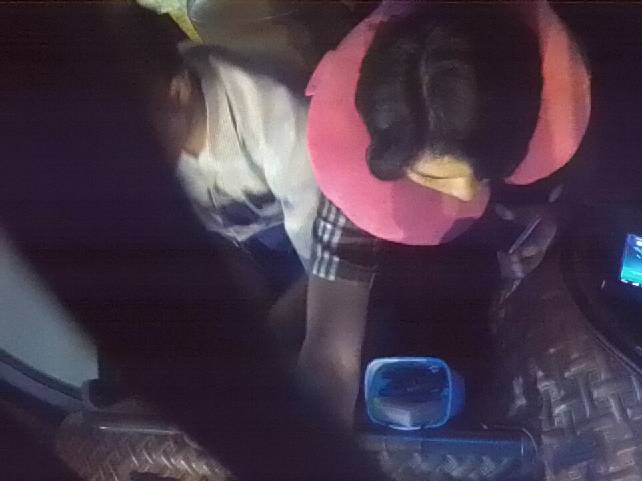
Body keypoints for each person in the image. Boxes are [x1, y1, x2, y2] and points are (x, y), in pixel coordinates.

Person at [298, 0, 590, 426]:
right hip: (410, 286)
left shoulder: (554, 108)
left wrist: (551, 218)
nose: (465, 195)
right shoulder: (353, 177)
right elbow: (330, 355)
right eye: (433, 177)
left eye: (485, 171)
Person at [132, 16, 321, 304]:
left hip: (293, 237)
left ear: (179, 92)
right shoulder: (158, 123)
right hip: (234, 244)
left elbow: (323, 262)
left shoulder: (276, 117)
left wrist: (278, 319)